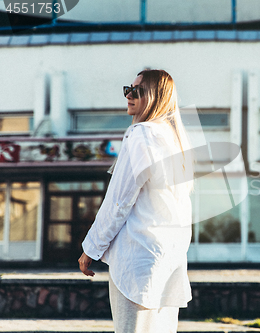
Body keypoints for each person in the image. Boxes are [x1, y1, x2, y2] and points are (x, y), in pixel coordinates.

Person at [78, 69, 194, 333]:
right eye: (128, 89)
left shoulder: (141, 134)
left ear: (154, 96)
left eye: (137, 90)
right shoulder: (175, 141)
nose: (129, 95)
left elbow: (119, 201)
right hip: (168, 260)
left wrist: (91, 248)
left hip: (137, 260)